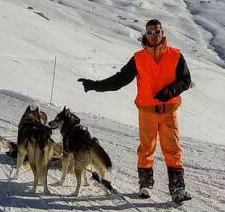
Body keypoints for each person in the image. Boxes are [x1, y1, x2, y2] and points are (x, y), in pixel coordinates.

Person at [78, 19, 193, 202]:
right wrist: (95, 85)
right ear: (145, 34)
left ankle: (177, 189)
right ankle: (145, 185)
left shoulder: (175, 55)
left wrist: (170, 91)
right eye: (150, 32)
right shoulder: (139, 58)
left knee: (173, 149)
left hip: (169, 110)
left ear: (162, 33)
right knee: (146, 149)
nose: (154, 36)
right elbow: (120, 80)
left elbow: (186, 81)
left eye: (157, 32)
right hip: (147, 111)